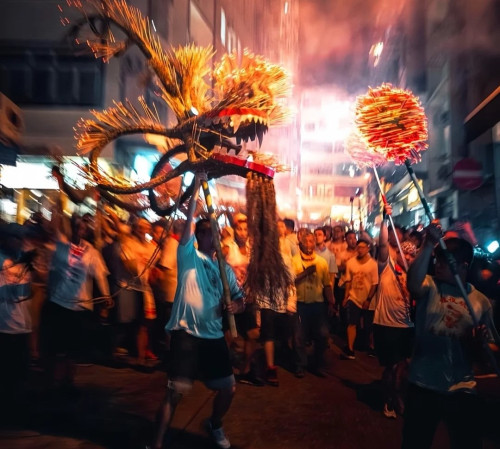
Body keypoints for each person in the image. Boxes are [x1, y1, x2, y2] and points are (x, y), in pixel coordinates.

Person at [152, 176, 245, 449]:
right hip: (187, 335)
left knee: (228, 388)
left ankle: (215, 423)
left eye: (218, 232)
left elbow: (240, 301)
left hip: (214, 336)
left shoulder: (225, 269)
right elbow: (189, 221)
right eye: (211, 232)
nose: (217, 236)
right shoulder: (188, 256)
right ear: (201, 235)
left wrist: (235, 306)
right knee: (175, 393)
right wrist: (195, 188)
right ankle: (155, 444)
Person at [402, 223, 500, 449]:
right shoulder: (430, 286)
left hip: (462, 387)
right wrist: (428, 244)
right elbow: (412, 283)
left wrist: (478, 342)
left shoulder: (480, 302)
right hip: (423, 383)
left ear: (463, 266)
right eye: (437, 259)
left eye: (445, 261)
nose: (438, 265)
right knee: (415, 442)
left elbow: (490, 351)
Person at [373, 205, 416, 418]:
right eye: (404, 253)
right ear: (397, 253)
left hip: (406, 326)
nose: (407, 257)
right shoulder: (386, 265)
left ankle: (398, 396)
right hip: (386, 325)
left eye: (411, 255)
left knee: (403, 366)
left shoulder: (415, 276)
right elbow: (382, 244)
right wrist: (384, 220)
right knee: (390, 367)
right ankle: (388, 400)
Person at [292, 230, 334, 377]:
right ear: (300, 244)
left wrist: (331, 302)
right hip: (300, 305)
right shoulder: (294, 261)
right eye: (306, 242)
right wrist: (306, 273)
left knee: (322, 335)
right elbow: (290, 281)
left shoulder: (321, 262)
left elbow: (327, 284)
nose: (309, 245)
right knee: (299, 336)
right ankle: (300, 365)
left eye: (311, 241)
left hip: (318, 305)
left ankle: (318, 365)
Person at [341, 238, 378, 360]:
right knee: (352, 323)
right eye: (359, 247)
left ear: (368, 248)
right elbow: (348, 280)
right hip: (354, 297)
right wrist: (346, 296)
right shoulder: (351, 262)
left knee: (369, 325)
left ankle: (371, 346)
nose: (360, 250)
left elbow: (374, 284)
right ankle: (350, 349)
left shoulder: (373, 264)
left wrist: (368, 299)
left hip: (368, 299)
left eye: (363, 247)